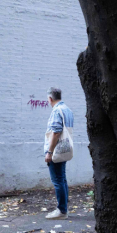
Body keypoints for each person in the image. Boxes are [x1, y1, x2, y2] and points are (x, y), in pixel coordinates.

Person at [43, 87, 73, 220]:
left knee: (58, 180)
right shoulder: (67, 110)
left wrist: (49, 152)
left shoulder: (56, 111)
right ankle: (64, 208)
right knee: (62, 178)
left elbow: (55, 132)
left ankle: (61, 210)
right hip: (64, 148)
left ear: (50, 98)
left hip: (56, 150)